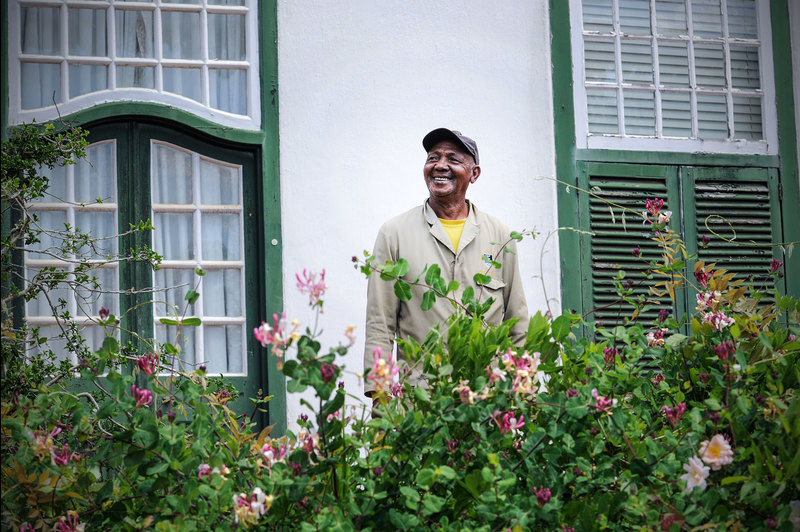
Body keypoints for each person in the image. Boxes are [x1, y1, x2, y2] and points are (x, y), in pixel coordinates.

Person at [363, 128, 529, 402]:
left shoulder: (500, 236)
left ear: (474, 173)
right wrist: (381, 398)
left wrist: (519, 390)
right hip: (419, 398)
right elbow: (380, 322)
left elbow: (517, 320)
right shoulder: (394, 233)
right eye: (433, 158)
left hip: (485, 397)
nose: (440, 165)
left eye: (453, 159)